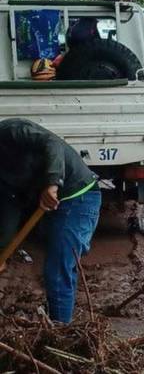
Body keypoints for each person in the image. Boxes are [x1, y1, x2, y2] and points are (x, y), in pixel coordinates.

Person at [0, 119, 101, 324]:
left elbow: (52, 143)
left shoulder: (11, 131)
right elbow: (8, 211)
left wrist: (52, 183)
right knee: (55, 268)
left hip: (78, 196)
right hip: (43, 204)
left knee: (57, 269)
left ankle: (61, 335)